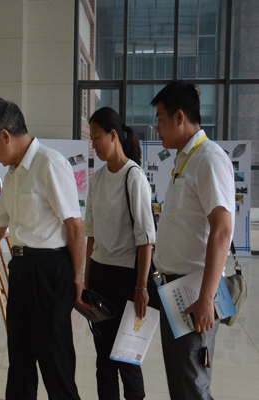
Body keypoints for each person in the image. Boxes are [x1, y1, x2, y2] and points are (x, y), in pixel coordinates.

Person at [0, 98, 88, 400]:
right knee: (20, 360)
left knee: (55, 362)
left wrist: (78, 280)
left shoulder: (50, 164)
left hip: (51, 272)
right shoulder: (12, 175)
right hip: (22, 271)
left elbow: (75, 226)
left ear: (6, 135)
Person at [150, 81, 234, 400]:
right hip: (174, 290)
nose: (157, 128)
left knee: (193, 384)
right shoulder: (184, 159)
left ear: (179, 117)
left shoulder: (208, 159)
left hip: (194, 291)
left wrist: (207, 299)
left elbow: (222, 229)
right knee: (180, 382)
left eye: (160, 119)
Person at [85, 107, 155, 400]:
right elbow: (90, 235)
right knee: (104, 362)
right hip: (100, 276)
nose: (94, 144)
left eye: (97, 137)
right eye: (91, 138)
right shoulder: (97, 179)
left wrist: (141, 287)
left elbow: (145, 240)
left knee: (127, 359)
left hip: (127, 280)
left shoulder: (134, 177)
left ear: (113, 136)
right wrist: (86, 283)